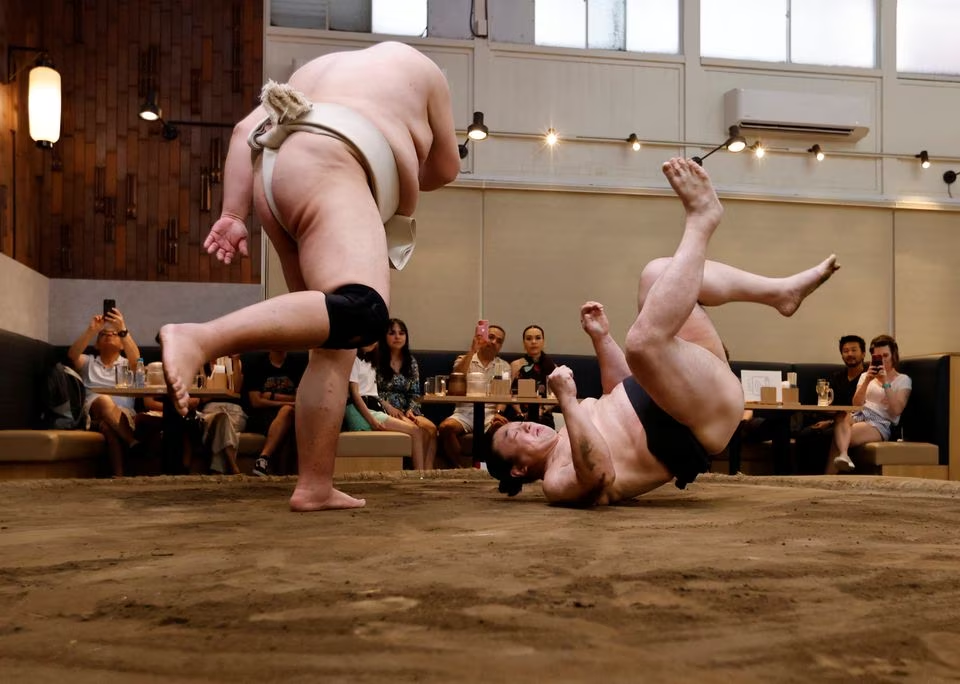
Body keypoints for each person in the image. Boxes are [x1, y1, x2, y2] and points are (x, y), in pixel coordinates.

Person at [157, 42, 460, 510]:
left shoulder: (316, 69)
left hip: (274, 174)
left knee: (332, 340)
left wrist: (234, 213)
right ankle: (201, 338)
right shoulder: (424, 69)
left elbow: (244, 131)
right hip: (337, 160)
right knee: (362, 311)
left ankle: (314, 485)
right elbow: (444, 169)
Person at [479, 157, 839, 506]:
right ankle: (701, 220)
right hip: (702, 419)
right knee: (640, 343)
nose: (526, 425)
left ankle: (778, 293)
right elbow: (598, 476)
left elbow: (620, 389)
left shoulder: (573, 428)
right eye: (516, 435)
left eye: (519, 424)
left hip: (691, 382)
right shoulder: (557, 481)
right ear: (519, 468)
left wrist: (601, 339)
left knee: (655, 274)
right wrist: (569, 402)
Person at [66, 307, 145, 476]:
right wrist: (92, 329)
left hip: (123, 416)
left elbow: (137, 360)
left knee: (108, 428)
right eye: (103, 334)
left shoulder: (127, 364)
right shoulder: (89, 361)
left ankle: (119, 476)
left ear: (122, 345)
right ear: (97, 344)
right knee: (103, 399)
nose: (109, 335)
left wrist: (122, 328)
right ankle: (132, 441)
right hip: (92, 414)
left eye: (114, 334)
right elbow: (72, 355)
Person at [828, 334, 911, 473]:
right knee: (841, 417)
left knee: (840, 437)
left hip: (880, 422)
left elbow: (896, 410)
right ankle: (841, 459)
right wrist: (867, 380)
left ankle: (830, 475)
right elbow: (856, 404)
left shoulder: (903, 380)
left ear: (894, 355)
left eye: (886, 356)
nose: (882, 360)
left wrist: (885, 382)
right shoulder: (865, 376)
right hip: (860, 412)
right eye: (878, 357)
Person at [343, 341, 428, 471]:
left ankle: (416, 472)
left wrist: (387, 407)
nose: (371, 340)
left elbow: (373, 393)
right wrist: (372, 421)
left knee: (417, 428)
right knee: (415, 432)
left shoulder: (370, 361)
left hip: (373, 407)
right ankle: (420, 475)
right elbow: (355, 395)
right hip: (359, 411)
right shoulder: (354, 359)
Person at [437, 324, 511, 468]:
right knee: (445, 427)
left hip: (489, 414)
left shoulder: (504, 366)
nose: (494, 342)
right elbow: (454, 381)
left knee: (500, 429)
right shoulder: (463, 359)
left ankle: (491, 469)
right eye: (491, 337)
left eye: (499, 341)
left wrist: (498, 413)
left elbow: (504, 395)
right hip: (464, 412)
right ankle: (460, 466)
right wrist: (472, 351)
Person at [794, 335, 867, 473]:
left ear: (863, 353)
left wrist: (830, 422)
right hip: (834, 420)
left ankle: (822, 477)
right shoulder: (837, 377)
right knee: (805, 434)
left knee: (821, 437)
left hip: (855, 422)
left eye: (853, 350)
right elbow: (830, 404)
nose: (849, 354)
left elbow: (865, 408)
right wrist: (827, 419)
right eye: (845, 351)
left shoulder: (868, 377)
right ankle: (802, 478)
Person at [376, 318, 438, 469]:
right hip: (385, 408)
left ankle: (427, 472)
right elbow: (371, 391)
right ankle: (418, 472)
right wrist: (388, 406)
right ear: (384, 336)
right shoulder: (376, 359)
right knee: (419, 431)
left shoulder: (411, 361)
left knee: (431, 429)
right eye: (392, 333)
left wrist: (411, 409)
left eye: (401, 333)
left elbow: (415, 392)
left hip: (407, 409)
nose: (397, 337)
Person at [244, 351, 306, 477]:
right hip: (261, 415)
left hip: (291, 415)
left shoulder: (297, 364)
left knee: (288, 413)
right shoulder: (256, 364)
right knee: (287, 412)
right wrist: (287, 402)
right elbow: (256, 402)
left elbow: (300, 398)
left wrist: (272, 396)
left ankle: (263, 458)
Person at [506, 324, 557, 428]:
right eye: (529, 339)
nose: (533, 342)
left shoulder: (552, 366)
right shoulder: (516, 365)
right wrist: (520, 412)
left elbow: (556, 395)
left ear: (543, 342)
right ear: (524, 343)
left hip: (543, 415)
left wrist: (542, 410)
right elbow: (509, 392)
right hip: (519, 414)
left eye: (538, 338)